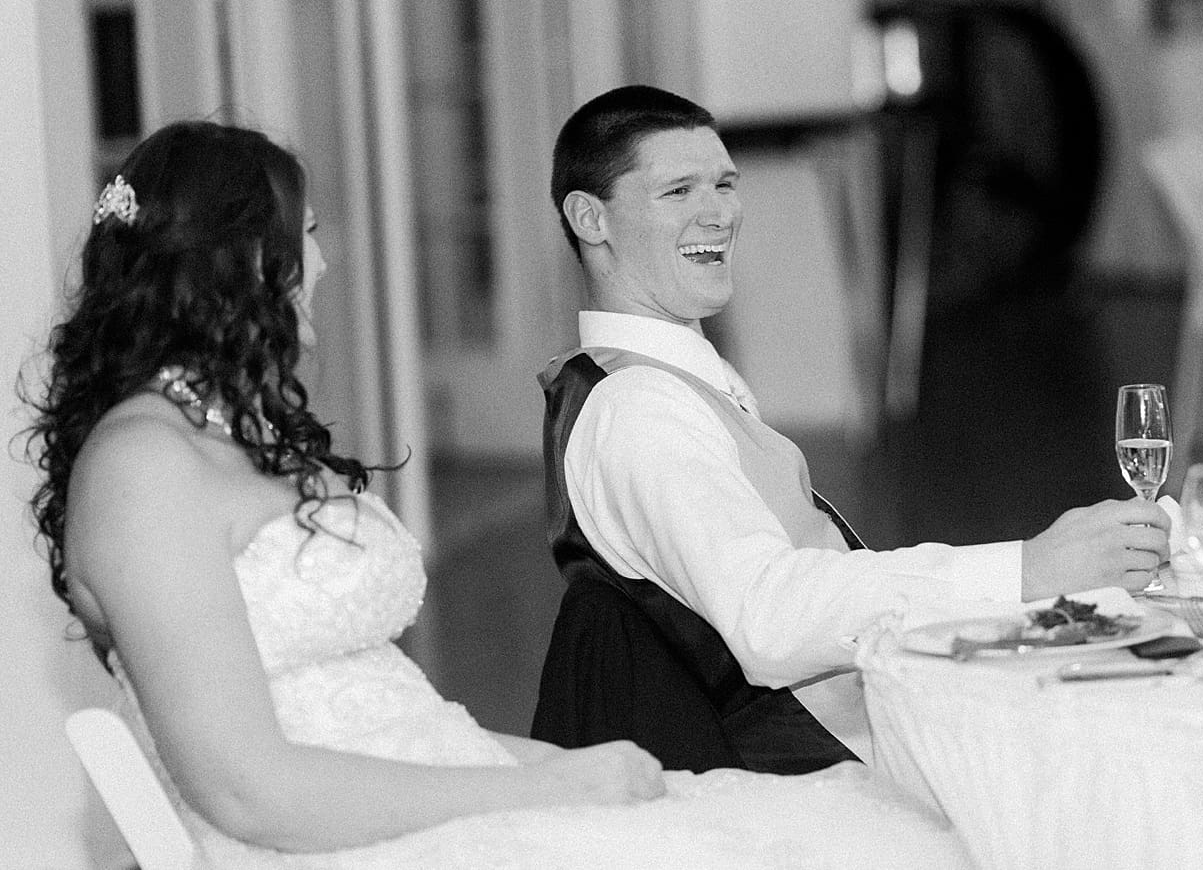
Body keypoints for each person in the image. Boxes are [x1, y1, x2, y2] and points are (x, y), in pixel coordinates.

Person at [27, 120, 975, 868]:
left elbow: (394, 719)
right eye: (306, 235)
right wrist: (534, 790)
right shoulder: (142, 468)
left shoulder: (233, 433)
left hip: (442, 791)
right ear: (240, 260)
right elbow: (248, 791)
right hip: (339, 841)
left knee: (874, 831)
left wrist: (557, 767)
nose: (323, 261)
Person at [536, 85, 1170, 768]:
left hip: (862, 713)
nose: (717, 212)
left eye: (724, 182)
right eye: (678, 191)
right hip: (823, 767)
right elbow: (770, 617)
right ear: (589, 217)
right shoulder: (640, 409)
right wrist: (1029, 567)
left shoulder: (663, 379)